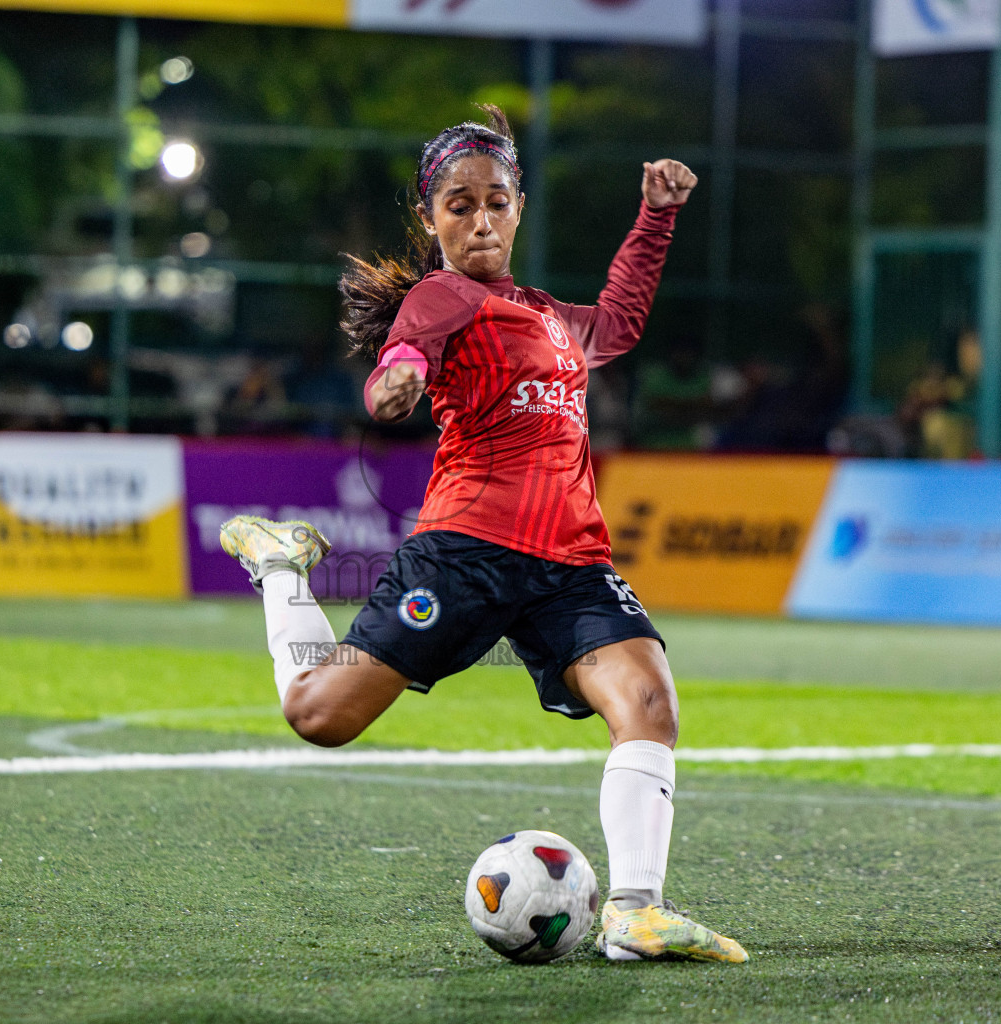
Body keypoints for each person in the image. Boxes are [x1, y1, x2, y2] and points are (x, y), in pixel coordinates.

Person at [219, 107, 747, 965]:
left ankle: (636, 909)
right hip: (465, 552)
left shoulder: (543, 313)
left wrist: (656, 216)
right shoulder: (443, 296)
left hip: (571, 561)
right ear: (431, 220)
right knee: (319, 715)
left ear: (518, 206)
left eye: (495, 201)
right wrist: (392, 385)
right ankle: (282, 567)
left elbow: (615, 326)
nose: (480, 219)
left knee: (650, 702)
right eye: (458, 205)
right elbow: (407, 356)